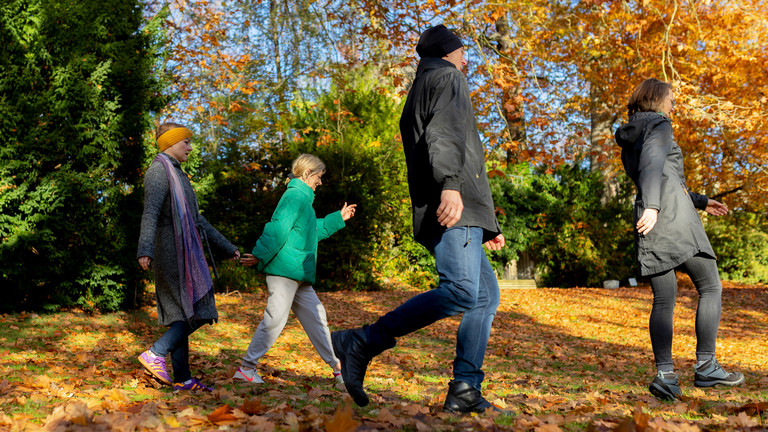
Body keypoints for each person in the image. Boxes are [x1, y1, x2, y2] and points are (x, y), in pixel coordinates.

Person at [331, 24, 505, 413]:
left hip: (459, 208)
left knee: (484, 295)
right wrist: (451, 187)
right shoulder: (448, 78)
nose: (466, 58)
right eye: (462, 50)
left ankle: (464, 387)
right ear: (447, 52)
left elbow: (448, 144)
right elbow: (444, 137)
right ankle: (363, 341)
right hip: (450, 205)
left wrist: (485, 224)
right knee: (463, 290)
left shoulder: (423, 85)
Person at [614, 78, 745, 401]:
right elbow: (653, 166)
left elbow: (662, 174)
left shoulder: (633, 132)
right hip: (669, 216)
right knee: (711, 286)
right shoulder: (659, 125)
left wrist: (701, 200)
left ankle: (666, 376)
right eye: (671, 98)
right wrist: (657, 206)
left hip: (649, 216)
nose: (674, 104)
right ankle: (706, 366)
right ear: (658, 99)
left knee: (664, 299)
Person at [234, 154, 357, 385]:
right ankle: (246, 368)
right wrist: (259, 255)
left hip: (298, 274)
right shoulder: (294, 196)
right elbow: (277, 229)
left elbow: (311, 232)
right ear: (308, 173)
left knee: (318, 319)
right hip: (284, 272)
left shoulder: (304, 200)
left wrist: (338, 218)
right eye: (319, 176)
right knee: (274, 320)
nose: (320, 182)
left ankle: (339, 368)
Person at [137, 122, 240, 392]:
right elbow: (150, 213)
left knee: (183, 316)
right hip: (170, 252)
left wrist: (228, 247)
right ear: (171, 142)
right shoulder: (159, 172)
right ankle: (155, 352)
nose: (190, 148)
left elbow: (197, 220)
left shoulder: (180, 176)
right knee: (199, 312)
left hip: (186, 251)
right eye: (186, 142)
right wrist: (145, 249)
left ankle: (182, 379)